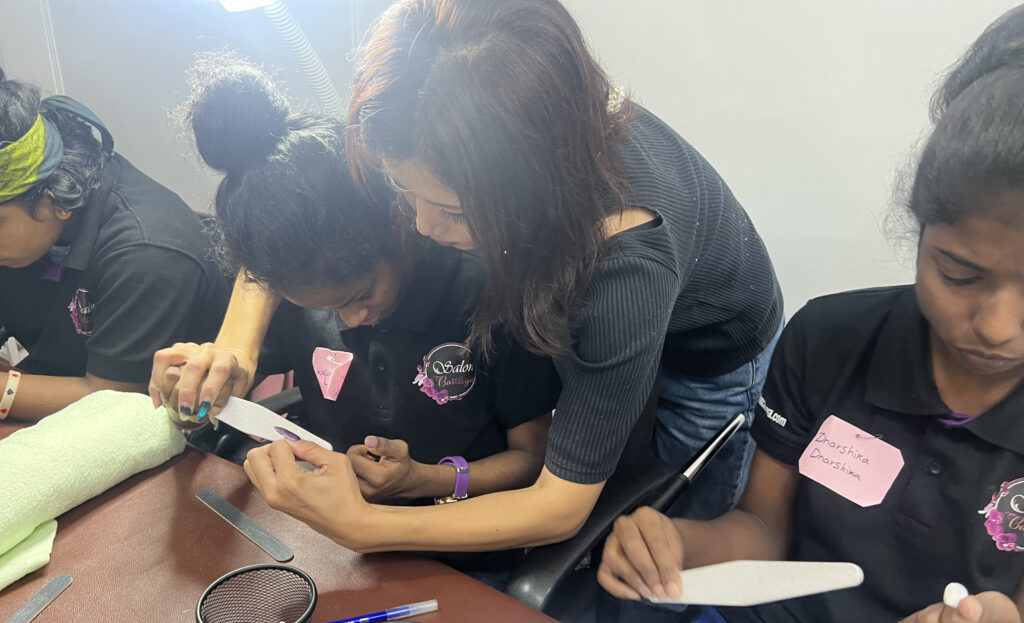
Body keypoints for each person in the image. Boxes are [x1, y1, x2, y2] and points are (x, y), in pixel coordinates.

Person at [152, 0, 782, 557]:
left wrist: (368, 527)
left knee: (660, 530)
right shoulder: (423, 114)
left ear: (526, 187)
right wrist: (235, 348)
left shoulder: (622, 271)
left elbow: (559, 505)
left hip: (705, 346)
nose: (421, 226)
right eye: (403, 191)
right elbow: (286, 223)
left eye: (451, 212)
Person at [596, 7, 1024, 623]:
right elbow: (764, 528)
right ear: (920, 231)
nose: (995, 325)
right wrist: (676, 543)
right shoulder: (830, 339)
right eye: (959, 274)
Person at [156, 55, 559, 558]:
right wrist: (192, 398)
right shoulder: (300, 287)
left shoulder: (487, 296)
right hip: (327, 538)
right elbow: (229, 376)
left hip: (461, 541)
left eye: (361, 296)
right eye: (325, 308)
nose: (349, 320)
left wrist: (426, 480)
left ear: (399, 228)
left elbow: (532, 457)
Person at [0, 69, 228, 421]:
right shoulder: (26, 232)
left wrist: (6, 389)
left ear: (55, 199)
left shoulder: (146, 254)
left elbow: (110, 402)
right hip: (47, 384)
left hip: (152, 426)